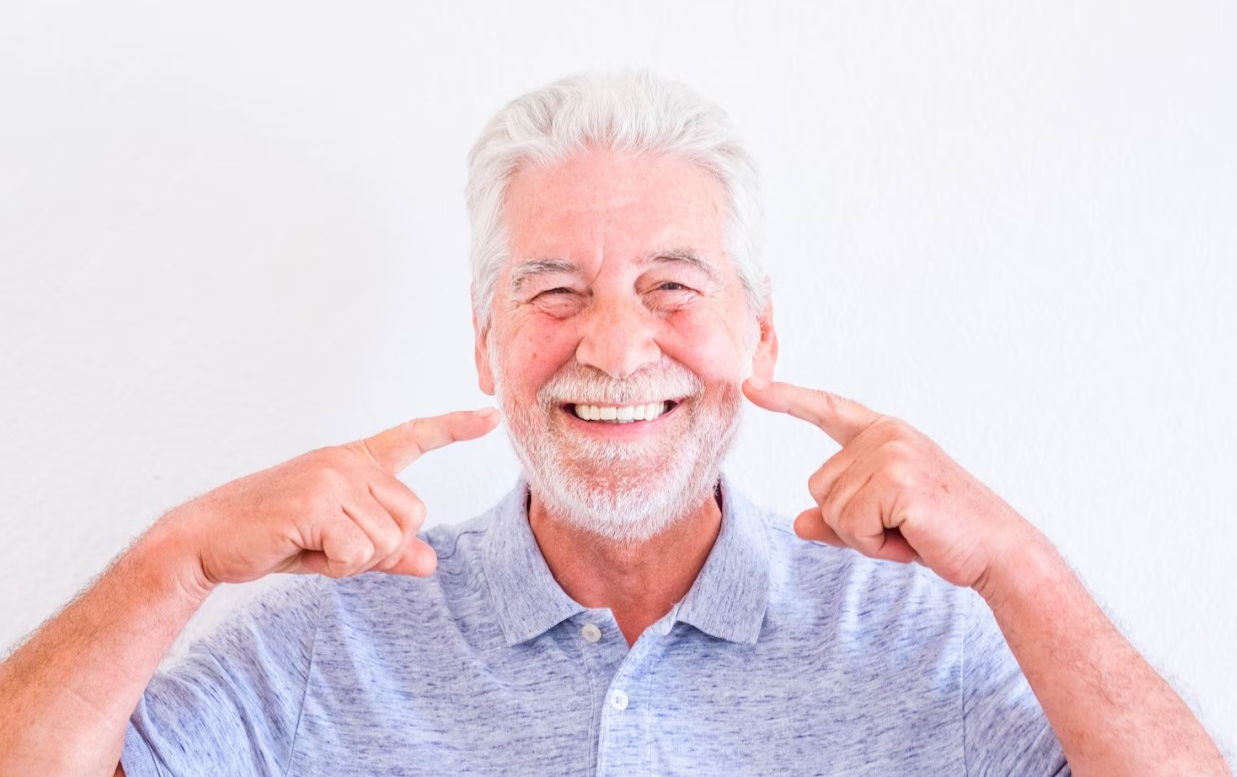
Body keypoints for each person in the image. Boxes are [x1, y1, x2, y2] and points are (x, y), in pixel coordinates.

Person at [0, 72, 1227, 777]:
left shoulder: (912, 634)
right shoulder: (334, 642)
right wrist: (177, 559)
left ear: (761, 337)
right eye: (554, 291)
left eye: (673, 288)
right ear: (488, 343)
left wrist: (1018, 566)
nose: (616, 345)